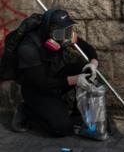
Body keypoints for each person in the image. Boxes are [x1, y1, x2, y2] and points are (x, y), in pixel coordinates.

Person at [11, 9, 99, 137]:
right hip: (37, 90)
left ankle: (77, 115)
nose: (65, 35)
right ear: (48, 30)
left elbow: (87, 48)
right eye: (60, 32)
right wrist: (75, 80)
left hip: (55, 80)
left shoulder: (63, 34)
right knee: (62, 128)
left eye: (67, 29)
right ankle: (26, 110)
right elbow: (41, 83)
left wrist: (93, 63)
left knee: (85, 70)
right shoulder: (28, 48)